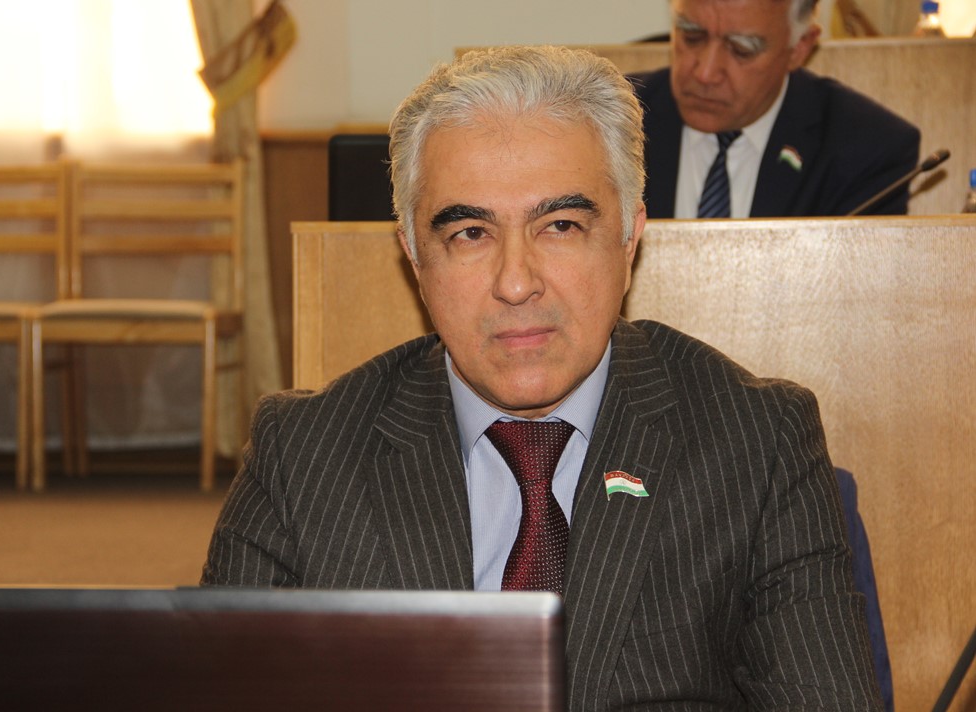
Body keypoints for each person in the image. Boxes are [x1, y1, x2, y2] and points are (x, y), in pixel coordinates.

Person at [202, 45, 882, 709]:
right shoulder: (304, 453)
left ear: (629, 237)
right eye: (470, 233)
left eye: (559, 225)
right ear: (414, 255)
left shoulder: (757, 443)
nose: (516, 281)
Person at [632, 0, 921, 218]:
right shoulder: (614, 118)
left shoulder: (868, 150)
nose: (705, 73)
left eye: (742, 48)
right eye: (691, 36)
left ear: (800, 48)